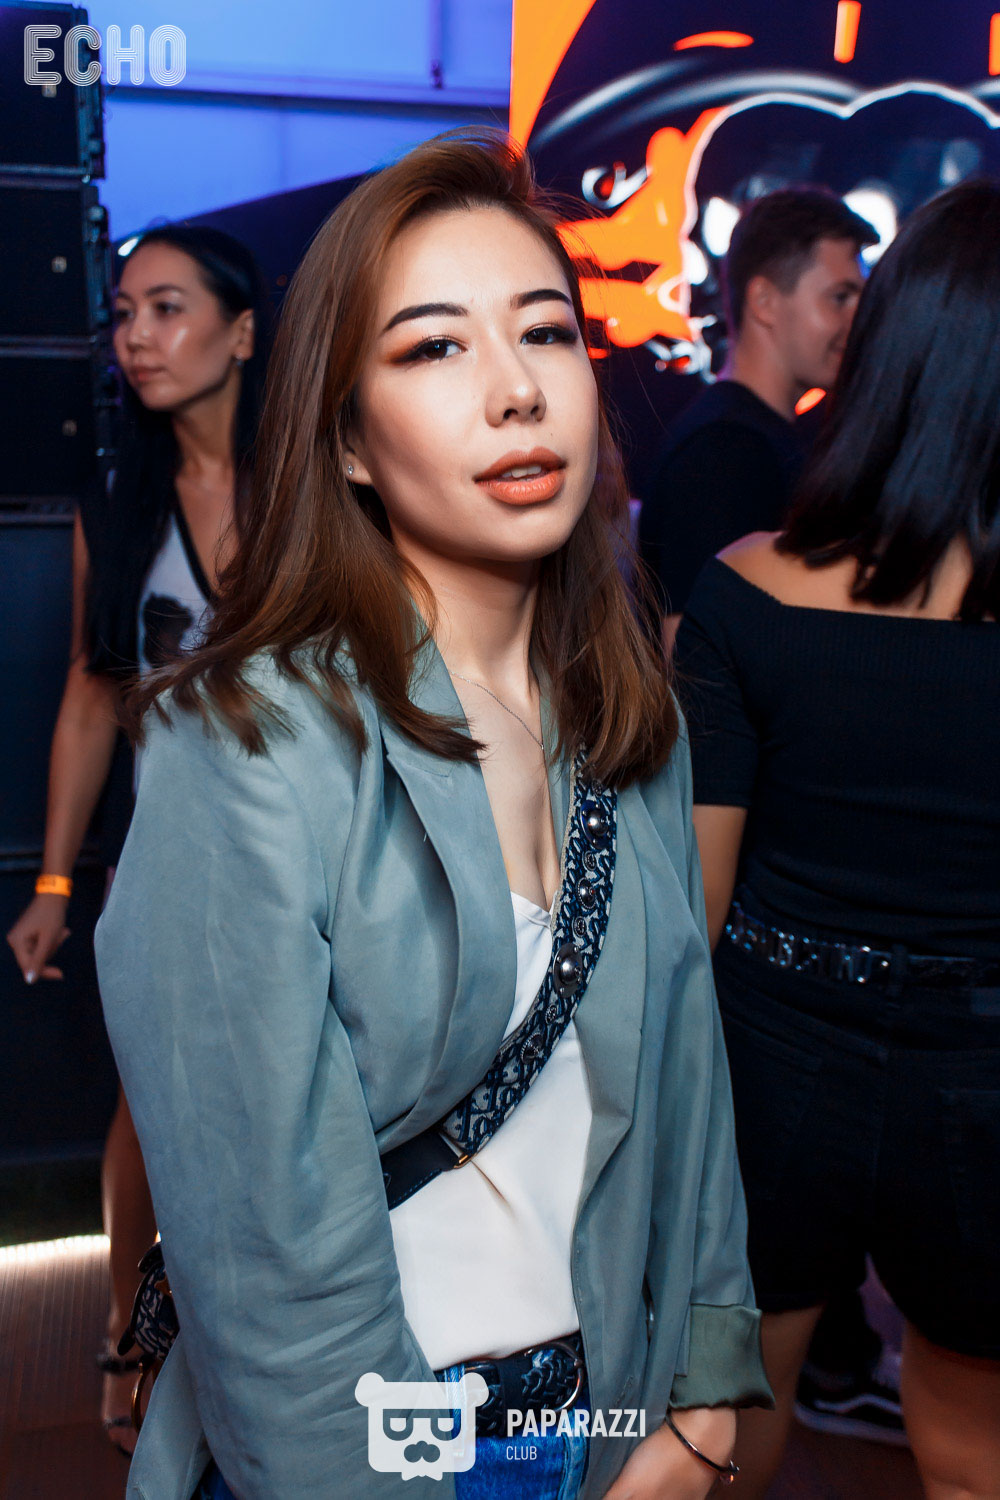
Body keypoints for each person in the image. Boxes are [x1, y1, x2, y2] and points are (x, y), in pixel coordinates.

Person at [94, 130, 771, 1500]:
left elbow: (689, 1082)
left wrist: (705, 1401)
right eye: (435, 348)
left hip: (606, 1421)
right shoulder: (243, 742)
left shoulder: (625, 715)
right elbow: (270, 1263)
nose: (516, 390)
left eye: (546, 332)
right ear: (347, 438)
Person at [674, 179, 1000, 1500]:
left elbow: (691, 913)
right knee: (971, 1461)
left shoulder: (746, 589)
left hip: (770, 1064)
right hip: (985, 1078)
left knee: (718, 1439)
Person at [5, 223, 270, 1453]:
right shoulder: (117, 507)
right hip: (167, 858)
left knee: (295, 1101)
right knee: (155, 1108)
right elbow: (90, 693)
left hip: (308, 857)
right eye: (123, 313)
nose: (138, 336)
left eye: (167, 308)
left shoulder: (322, 490)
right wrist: (56, 881)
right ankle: (127, 1332)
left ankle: (271, 1344)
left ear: (242, 331)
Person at [639, 188, 876, 651]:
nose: (858, 320)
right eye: (840, 298)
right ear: (765, 301)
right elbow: (689, 657)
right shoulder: (724, 451)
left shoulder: (754, 439)